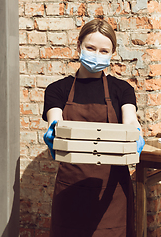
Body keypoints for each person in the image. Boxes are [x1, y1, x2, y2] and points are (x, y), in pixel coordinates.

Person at [42, 19, 144, 237]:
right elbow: (55, 118)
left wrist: (136, 134)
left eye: (103, 50)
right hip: (71, 190)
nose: (96, 54)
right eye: (90, 48)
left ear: (113, 53)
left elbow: (130, 119)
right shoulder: (57, 90)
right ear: (78, 46)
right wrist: (53, 130)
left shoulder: (123, 90)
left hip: (113, 193)